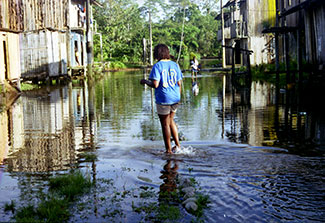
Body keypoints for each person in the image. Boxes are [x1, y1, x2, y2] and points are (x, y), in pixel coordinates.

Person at [140, 44, 182, 154]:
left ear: (157, 54)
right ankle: (178, 146)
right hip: (176, 98)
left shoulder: (157, 66)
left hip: (164, 98)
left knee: (165, 124)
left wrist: (145, 82)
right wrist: (179, 97)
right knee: (171, 121)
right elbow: (179, 83)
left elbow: (155, 84)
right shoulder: (175, 65)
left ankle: (168, 150)